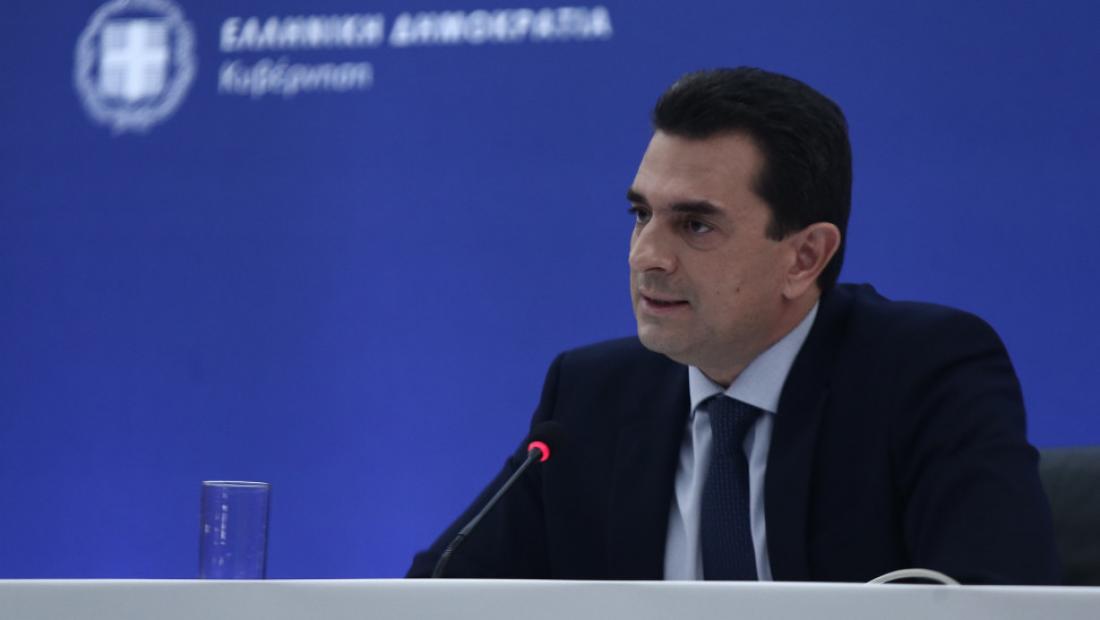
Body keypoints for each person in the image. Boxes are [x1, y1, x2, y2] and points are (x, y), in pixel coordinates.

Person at [406, 67, 1060, 584]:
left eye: (695, 225)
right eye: (641, 215)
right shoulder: (588, 401)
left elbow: (995, 600)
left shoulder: (923, 374)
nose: (646, 256)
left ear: (804, 257)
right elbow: (436, 594)